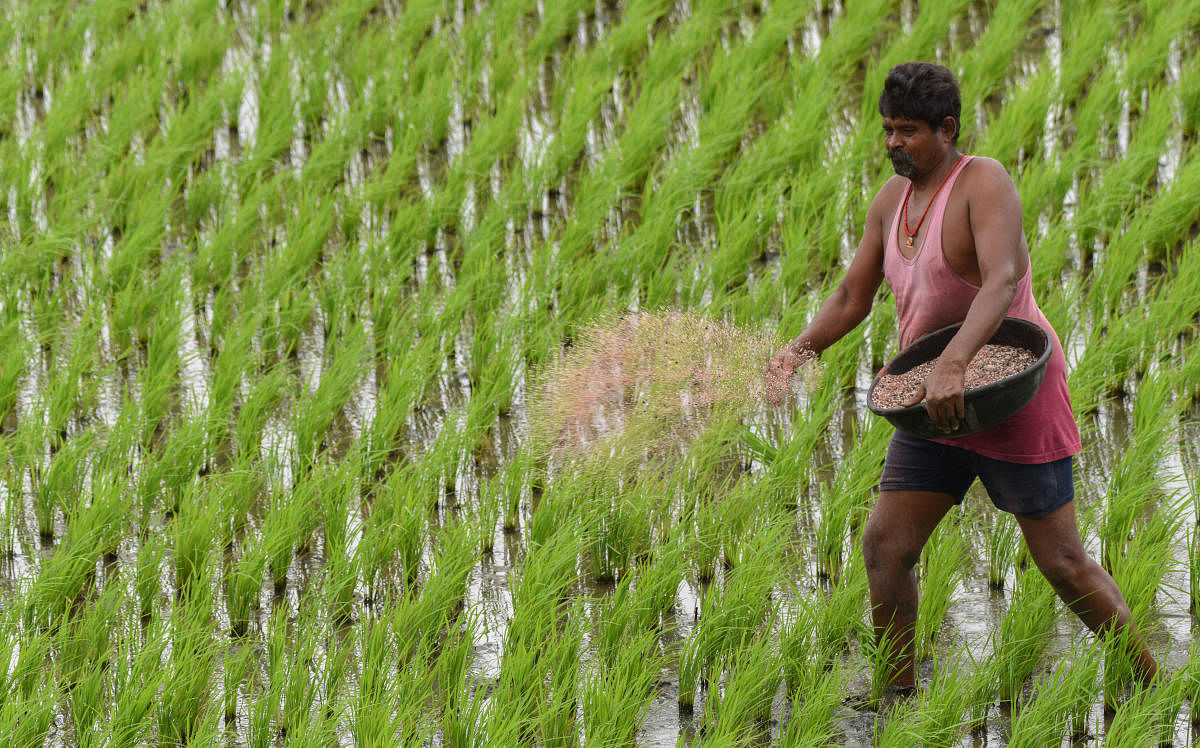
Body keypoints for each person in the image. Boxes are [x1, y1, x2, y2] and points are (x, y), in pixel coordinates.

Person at [767, 61, 1157, 693]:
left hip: (1013, 393)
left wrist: (954, 365)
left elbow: (1001, 279)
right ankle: (896, 701)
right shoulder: (891, 201)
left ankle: (1152, 685)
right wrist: (796, 353)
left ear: (946, 129)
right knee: (885, 545)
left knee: (1061, 563)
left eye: (910, 130)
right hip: (930, 404)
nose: (894, 142)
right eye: (888, 129)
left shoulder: (984, 183)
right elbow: (851, 296)